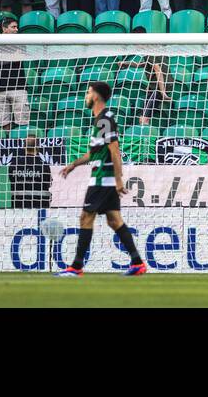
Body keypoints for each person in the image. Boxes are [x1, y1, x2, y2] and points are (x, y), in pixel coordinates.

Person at [55, 80, 147, 277]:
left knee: (86, 217)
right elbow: (95, 153)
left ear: (96, 95)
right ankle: (137, 262)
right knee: (114, 220)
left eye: (88, 93)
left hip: (102, 179)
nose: (86, 97)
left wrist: (119, 179)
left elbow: (115, 150)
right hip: (103, 177)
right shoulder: (101, 120)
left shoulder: (104, 119)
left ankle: (76, 267)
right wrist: (73, 165)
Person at [8, 134, 54, 209]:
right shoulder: (44, 166)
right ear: (37, 147)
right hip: (40, 205)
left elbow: (12, 181)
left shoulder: (13, 165)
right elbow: (48, 184)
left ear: (24, 146)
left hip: (19, 205)